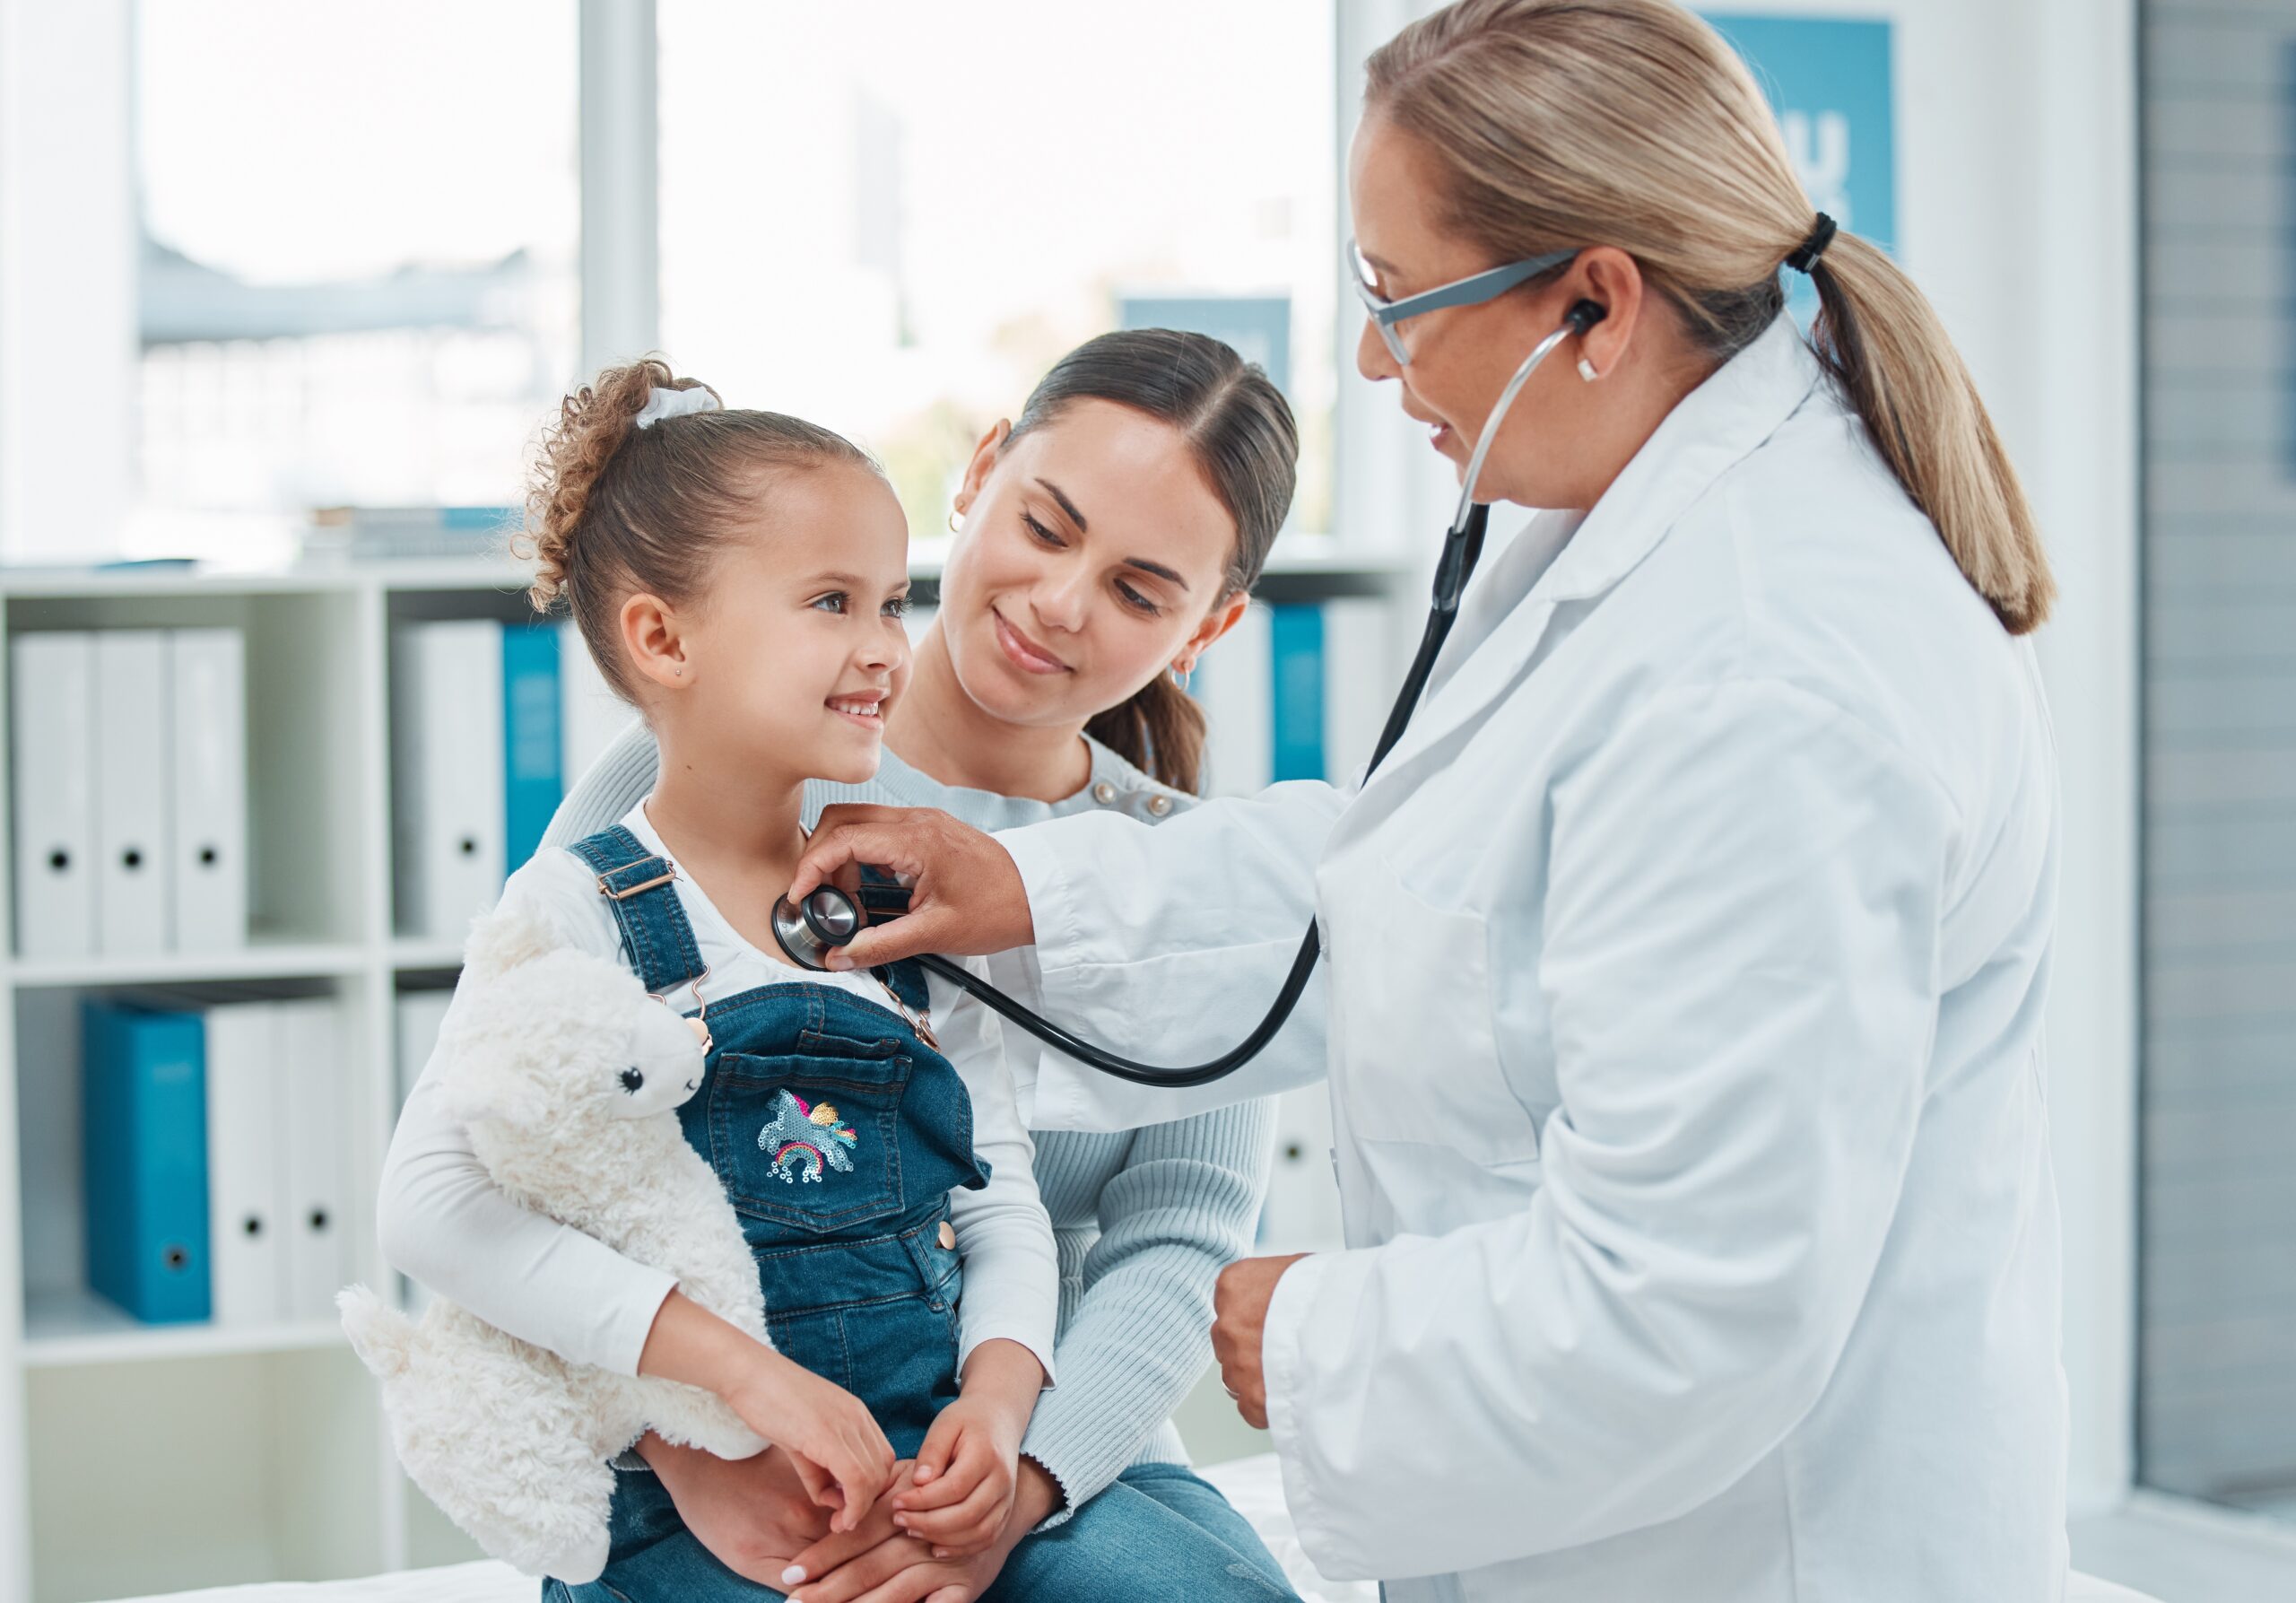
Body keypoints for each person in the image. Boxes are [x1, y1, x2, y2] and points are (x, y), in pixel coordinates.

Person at [786, 2, 2068, 1599]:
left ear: (1595, 302)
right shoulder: (1642, 548)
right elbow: (1426, 890)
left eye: (1400, 298)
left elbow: (1698, 1298)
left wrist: (1317, 1340)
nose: (1379, 361)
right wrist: (1038, 890)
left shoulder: (1771, 671)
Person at [384, 335, 1309, 1603]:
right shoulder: (684, 791)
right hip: (721, 1447)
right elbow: (533, 1157)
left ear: (1209, 626)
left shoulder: (1201, 890)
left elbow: (1174, 1240)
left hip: (1026, 1434)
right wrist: (699, 1447)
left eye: (1139, 592)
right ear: (980, 473)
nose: (1059, 602)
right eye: (1045, 526)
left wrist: (1015, 1481)